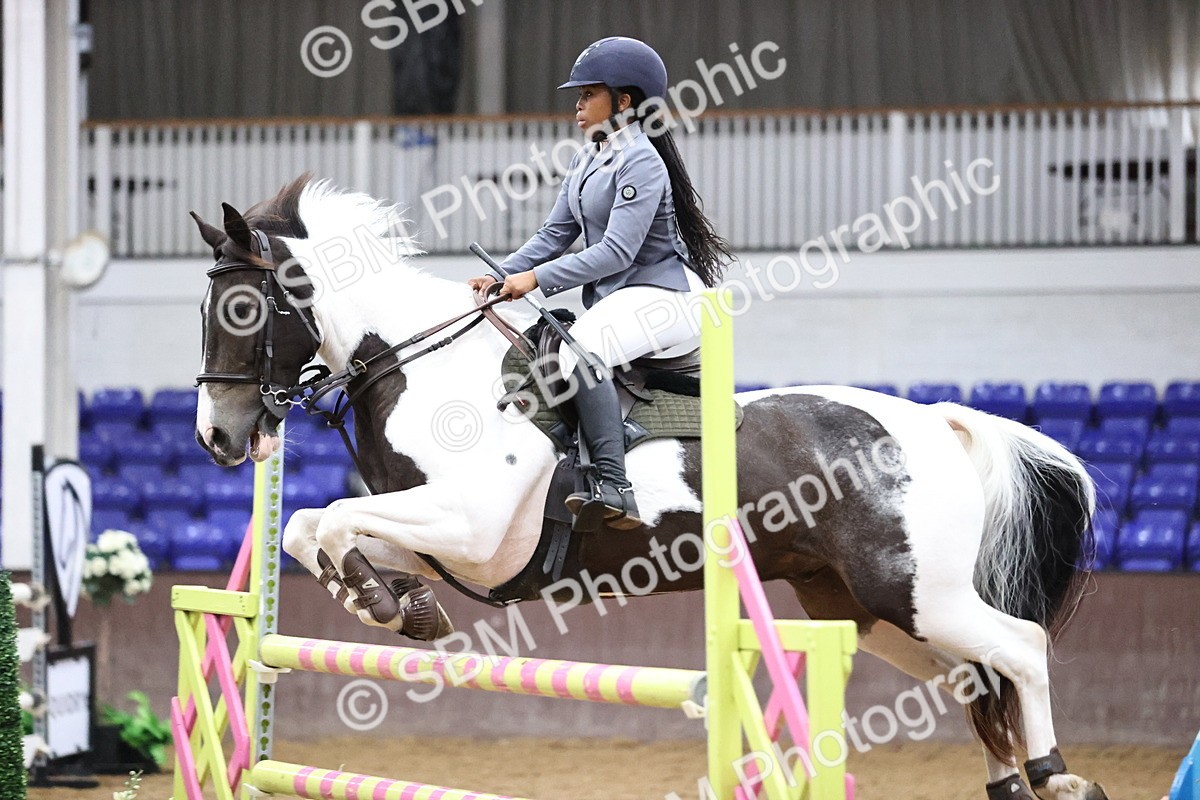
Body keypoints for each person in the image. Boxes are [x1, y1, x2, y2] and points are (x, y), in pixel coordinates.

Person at [468, 36, 731, 532]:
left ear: (624, 101)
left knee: (579, 352)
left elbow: (616, 253)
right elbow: (555, 233)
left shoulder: (642, 161)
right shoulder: (587, 157)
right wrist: (503, 273)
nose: (578, 106)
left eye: (589, 95)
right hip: (624, 297)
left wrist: (534, 279)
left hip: (666, 297)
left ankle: (614, 485)